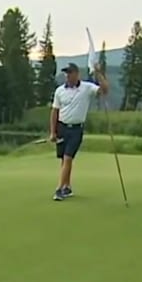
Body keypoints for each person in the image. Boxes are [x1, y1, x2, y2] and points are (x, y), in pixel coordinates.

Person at [49, 62, 109, 201]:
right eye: (66, 73)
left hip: (76, 129)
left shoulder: (86, 88)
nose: (68, 76)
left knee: (68, 158)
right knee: (64, 160)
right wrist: (53, 132)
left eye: (70, 73)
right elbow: (54, 112)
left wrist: (99, 73)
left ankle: (59, 189)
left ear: (77, 74)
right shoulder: (60, 91)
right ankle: (67, 187)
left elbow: (104, 90)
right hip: (62, 127)